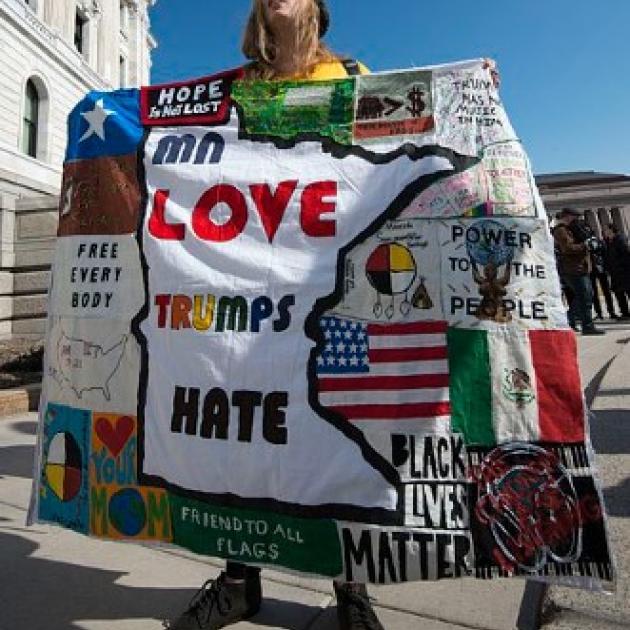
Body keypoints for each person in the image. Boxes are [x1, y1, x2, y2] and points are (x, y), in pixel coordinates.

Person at [170, 2, 381, 629]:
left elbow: (403, 145)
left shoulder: (352, 76)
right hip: (248, 287)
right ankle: (239, 583)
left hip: (330, 284)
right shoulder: (236, 89)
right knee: (240, 432)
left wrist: (462, 102)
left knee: (339, 430)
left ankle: (353, 592)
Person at [553, 208, 605, 335]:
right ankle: (585, 325)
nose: (577, 219)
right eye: (574, 216)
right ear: (567, 216)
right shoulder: (561, 230)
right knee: (584, 296)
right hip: (572, 269)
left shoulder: (572, 229)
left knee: (585, 296)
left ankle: (573, 321)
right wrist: (585, 245)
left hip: (581, 267)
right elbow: (567, 248)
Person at [586, 227, 619, 320]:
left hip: (596, 268)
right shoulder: (598, 241)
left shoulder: (594, 242)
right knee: (601, 292)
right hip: (596, 268)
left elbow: (605, 254)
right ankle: (608, 312)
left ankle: (603, 312)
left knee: (601, 292)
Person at [602, 223, 630, 318]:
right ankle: (625, 312)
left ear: (611, 230)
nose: (604, 232)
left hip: (624, 272)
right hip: (614, 273)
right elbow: (607, 257)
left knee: (628, 291)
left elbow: (626, 255)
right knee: (619, 293)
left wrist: (620, 266)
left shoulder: (620, 240)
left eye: (606, 230)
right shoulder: (608, 241)